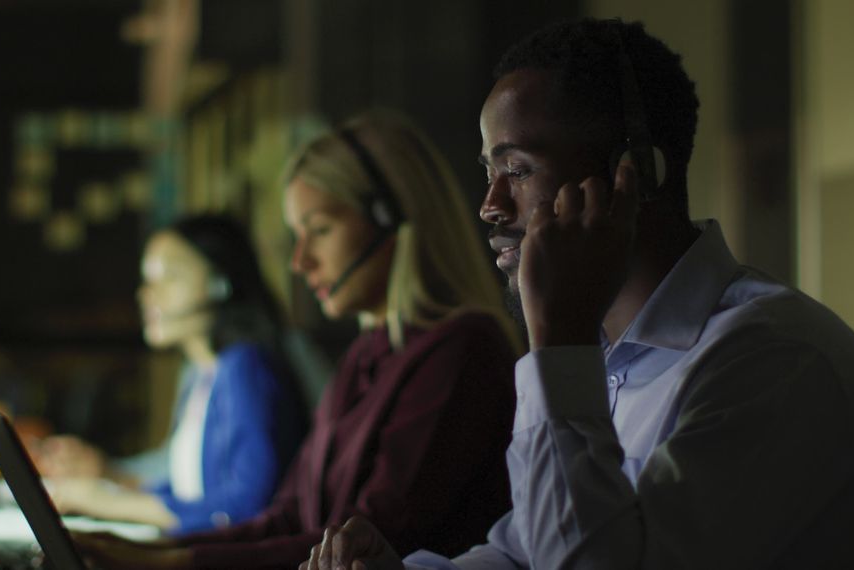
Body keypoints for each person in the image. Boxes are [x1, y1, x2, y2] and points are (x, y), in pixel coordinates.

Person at [302, 18, 854, 570]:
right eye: (490, 172)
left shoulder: (775, 359)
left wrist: (557, 342)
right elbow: (524, 552)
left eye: (518, 170)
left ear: (634, 175)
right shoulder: (609, 359)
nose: (490, 205)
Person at [73, 111, 522, 568]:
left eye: (320, 230)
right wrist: (146, 551)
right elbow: (287, 518)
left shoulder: (462, 349)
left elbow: (367, 537)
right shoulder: (366, 355)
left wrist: (169, 564)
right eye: (297, 236)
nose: (301, 262)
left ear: (390, 218)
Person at [38, 214, 307, 535]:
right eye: (147, 280)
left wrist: (107, 502)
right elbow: (191, 491)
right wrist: (106, 476)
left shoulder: (244, 368)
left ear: (220, 283)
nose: (147, 294)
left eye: (169, 276)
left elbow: (245, 507)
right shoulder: (200, 375)